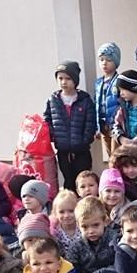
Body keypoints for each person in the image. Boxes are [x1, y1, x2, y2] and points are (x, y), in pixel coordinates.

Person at [44, 61, 96, 192]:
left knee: (83, 180)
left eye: (68, 78)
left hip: (81, 150)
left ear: (75, 80)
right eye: (60, 78)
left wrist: (85, 141)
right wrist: (54, 137)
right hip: (63, 150)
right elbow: (47, 119)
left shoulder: (84, 100)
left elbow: (90, 123)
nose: (64, 82)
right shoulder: (53, 100)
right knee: (68, 180)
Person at [63, 197, 117, 273]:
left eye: (96, 225)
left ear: (105, 221)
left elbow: (119, 265)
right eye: (85, 227)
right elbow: (71, 270)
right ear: (78, 225)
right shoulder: (76, 246)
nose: (91, 231)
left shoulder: (114, 240)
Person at [95, 43, 122, 158]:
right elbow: (96, 103)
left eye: (109, 60)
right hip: (103, 124)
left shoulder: (119, 80)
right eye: (101, 60)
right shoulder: (98, 82)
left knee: (116, 155)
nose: (104, 63)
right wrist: (96, 126)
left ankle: (116, 169)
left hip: (115, 125)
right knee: (110, 154)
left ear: (116, 62)